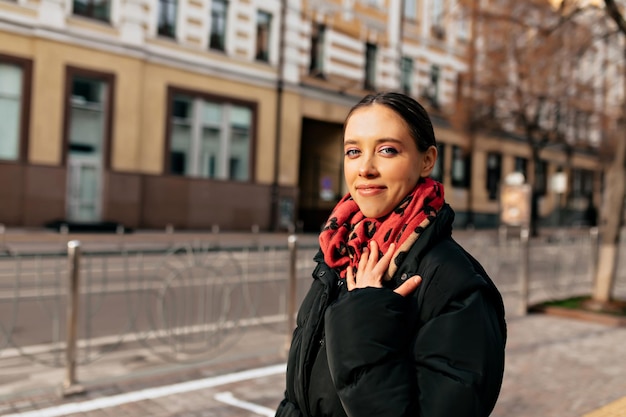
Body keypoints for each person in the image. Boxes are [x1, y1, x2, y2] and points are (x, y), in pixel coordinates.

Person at [275, 92, 506, 417]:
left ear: (427, 160)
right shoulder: (339, 254)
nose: (365, 168)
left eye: (387, 150)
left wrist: (363, 321)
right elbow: (297, 398)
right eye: (353, 151)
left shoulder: (455, 283)